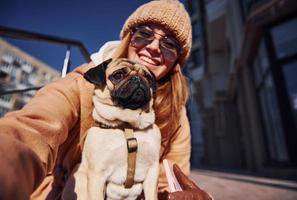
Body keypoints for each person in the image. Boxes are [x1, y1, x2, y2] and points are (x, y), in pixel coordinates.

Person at [0, 0, 212, 199]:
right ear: (129, 38)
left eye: (169, 44)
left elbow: (169, 181)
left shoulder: (176, 113)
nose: (154, 47)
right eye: (144, 34)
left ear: (177, 59)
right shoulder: (83, 82)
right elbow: (33, 129)